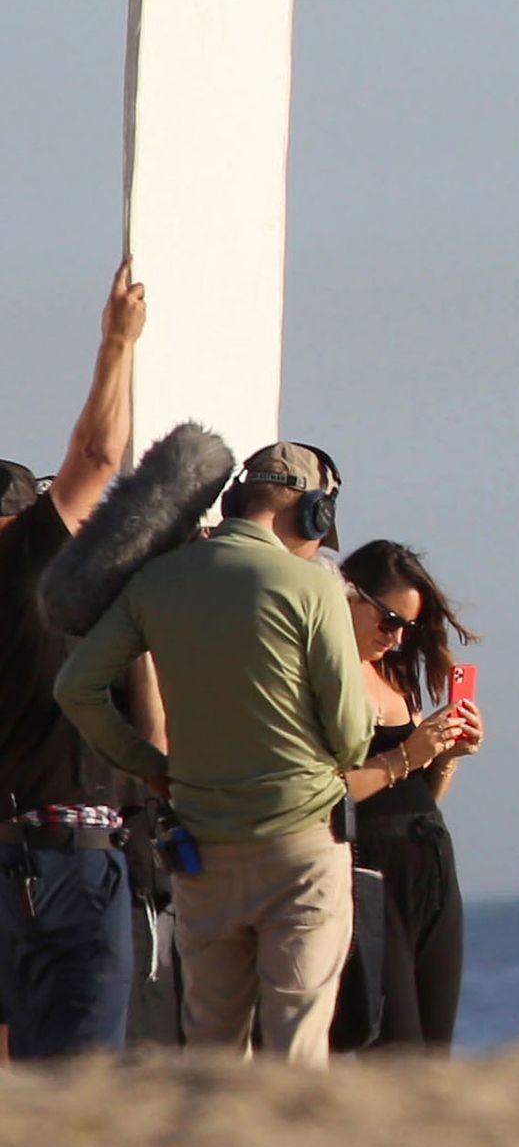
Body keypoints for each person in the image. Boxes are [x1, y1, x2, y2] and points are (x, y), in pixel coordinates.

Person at [56, 441, 374, 1067]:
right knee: (297, 1047)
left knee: (211, 1050)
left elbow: (76, 688)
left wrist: (150, 767)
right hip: (301, 847)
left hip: (202, 850)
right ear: (311, 510)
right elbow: (351, 737)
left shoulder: (157, 583)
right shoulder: (312, 585)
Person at [0, 261, 148, 1058]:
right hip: (65, 859)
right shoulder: (23, 561)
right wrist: (116, 344)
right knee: (87, 1079)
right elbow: (98, 452)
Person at [336, 540, 482, 1051]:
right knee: (394, 1049)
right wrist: (408, 755)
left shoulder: (394, 674)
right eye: (388, 620)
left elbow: (421, 795)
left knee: (436, 1050)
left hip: (431, 864)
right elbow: (324, 795)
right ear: (350, 597)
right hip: (369, 871)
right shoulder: (326, 677)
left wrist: (446, 755)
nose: (395, 638)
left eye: (407, 628)